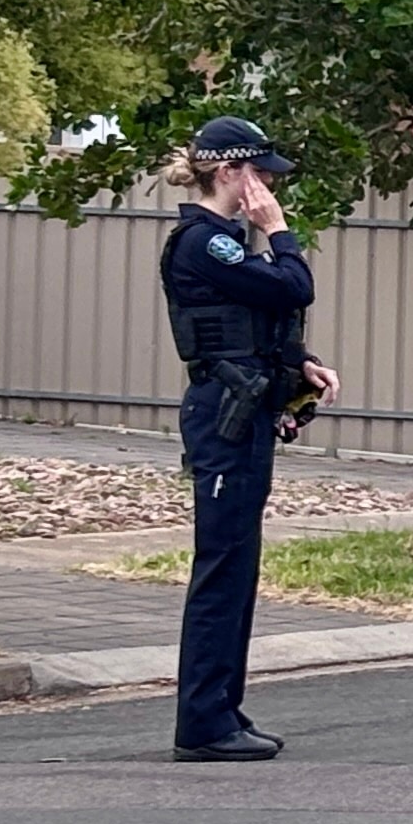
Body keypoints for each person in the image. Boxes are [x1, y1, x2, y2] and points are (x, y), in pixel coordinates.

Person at [161, 119, 337, 762]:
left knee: (239, 566)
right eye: (259, 173)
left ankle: (222, 709)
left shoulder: (226, 243)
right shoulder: (205, 242)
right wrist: (278, 230)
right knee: (222, 565)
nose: (266, 186)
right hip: (223, 415)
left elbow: (259, 319)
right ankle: (202, 724)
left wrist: (300, 365)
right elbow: (295, 284)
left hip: (246, 407)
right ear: (228, 172)